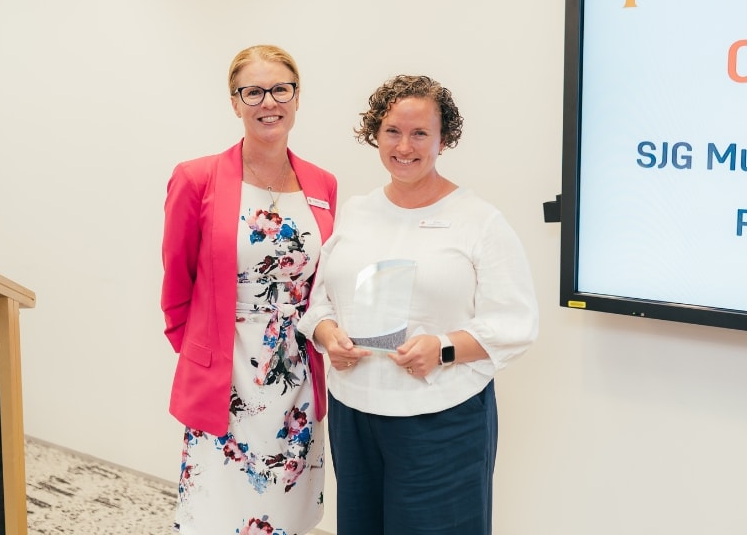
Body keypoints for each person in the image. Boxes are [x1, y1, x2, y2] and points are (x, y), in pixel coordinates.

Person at [297, 74, 539, 535]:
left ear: (443, 139)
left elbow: (516, 323)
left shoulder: (479, 222)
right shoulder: (357, 211)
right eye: (392, 131)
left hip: (441, 420)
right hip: (355, 412)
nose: (404, 146)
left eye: (420, 133)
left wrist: (443, 348)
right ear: (376, 133)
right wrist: (328, 336)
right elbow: (321, 299)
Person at [161, 44, 337, 535]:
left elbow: (323, 281)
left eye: (281, 89)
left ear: (297, 98)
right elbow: (176, 287)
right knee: (218, 511)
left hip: (297, 374)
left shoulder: (323, 182)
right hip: (226, 374)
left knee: (288, 508)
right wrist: (200, 355)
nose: (268, 102)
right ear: (235, 102)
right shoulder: (196, 178)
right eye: (253, 92)